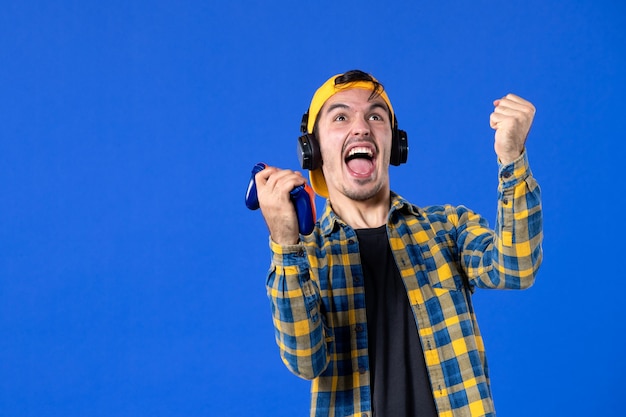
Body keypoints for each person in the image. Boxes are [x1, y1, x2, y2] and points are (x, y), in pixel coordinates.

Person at [254, 69, 542, 417]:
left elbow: (516, 267)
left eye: (375, 116)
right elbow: (305, 360)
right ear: (312, 150)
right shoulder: (306, 256)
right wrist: (285, 244)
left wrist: (512, 158)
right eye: (341, 117)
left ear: (395, 144)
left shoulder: (446, 227)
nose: (361, 127)